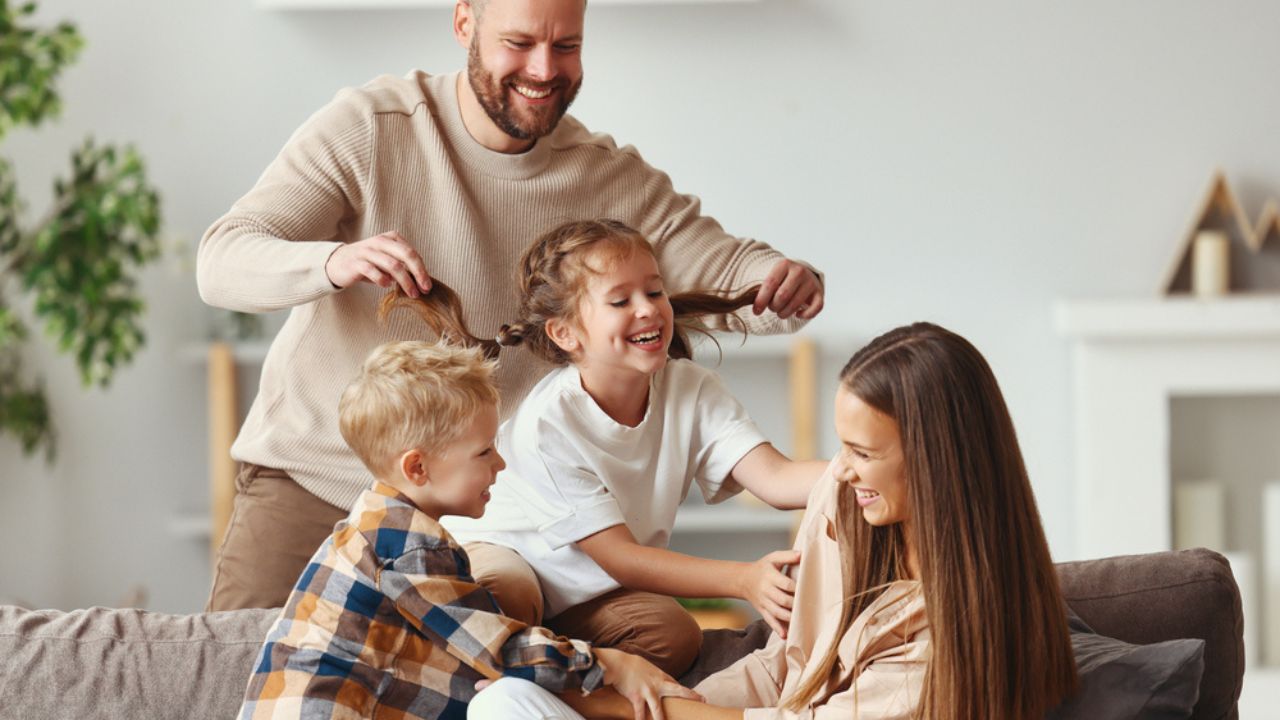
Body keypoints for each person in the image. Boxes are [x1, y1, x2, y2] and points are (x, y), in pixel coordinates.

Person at [196, 0, 824, 613]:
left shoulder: (608, 178)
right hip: (315, 483)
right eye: (519, 44)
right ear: (464, 21)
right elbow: (222, 261)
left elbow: (728, 268)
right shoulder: (370, 127)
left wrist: (781, 278)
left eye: (567, 45)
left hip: (480, 514)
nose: (545, 69)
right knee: (233, 683)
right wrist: (332, 263)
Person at [467, 322, 1079, 719]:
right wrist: (666, 701)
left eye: (863, 455)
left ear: (936, 461)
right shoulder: (846, 513)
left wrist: (624, 706)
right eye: (843, 449)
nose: (840, 471)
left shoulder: (958, 632)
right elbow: (786, 665)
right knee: (506, 701)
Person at [383, 218, 829, 679]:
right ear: (565, 333)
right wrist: (743, 579)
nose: (648, 309)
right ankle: (530, 691)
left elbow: (775, 479)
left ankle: (570, 685)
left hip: (586, 592)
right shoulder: (549, 422)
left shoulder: (692, 389)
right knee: (504, 597)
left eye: (654, 293)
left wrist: (864, 465)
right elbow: (620, 556)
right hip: (510, 555)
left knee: (674, 634)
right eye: (620, 300)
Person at [237, 340, 700, 720]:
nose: (500, 464)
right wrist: (613, 664)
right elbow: (502, 649)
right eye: (483, 453)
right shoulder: (406, 548)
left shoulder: (377, 522)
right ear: (418, 467)